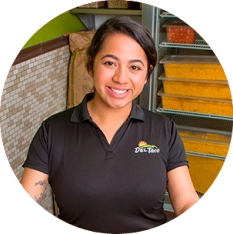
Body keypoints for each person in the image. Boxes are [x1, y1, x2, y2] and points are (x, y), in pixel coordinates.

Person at [20, 16, 199, 233]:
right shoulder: (53, 131)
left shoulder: (164, 130)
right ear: (90, 65)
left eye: (134, 67)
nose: (121, 78)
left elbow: (186, 202)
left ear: (147, 75)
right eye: (110, 63)